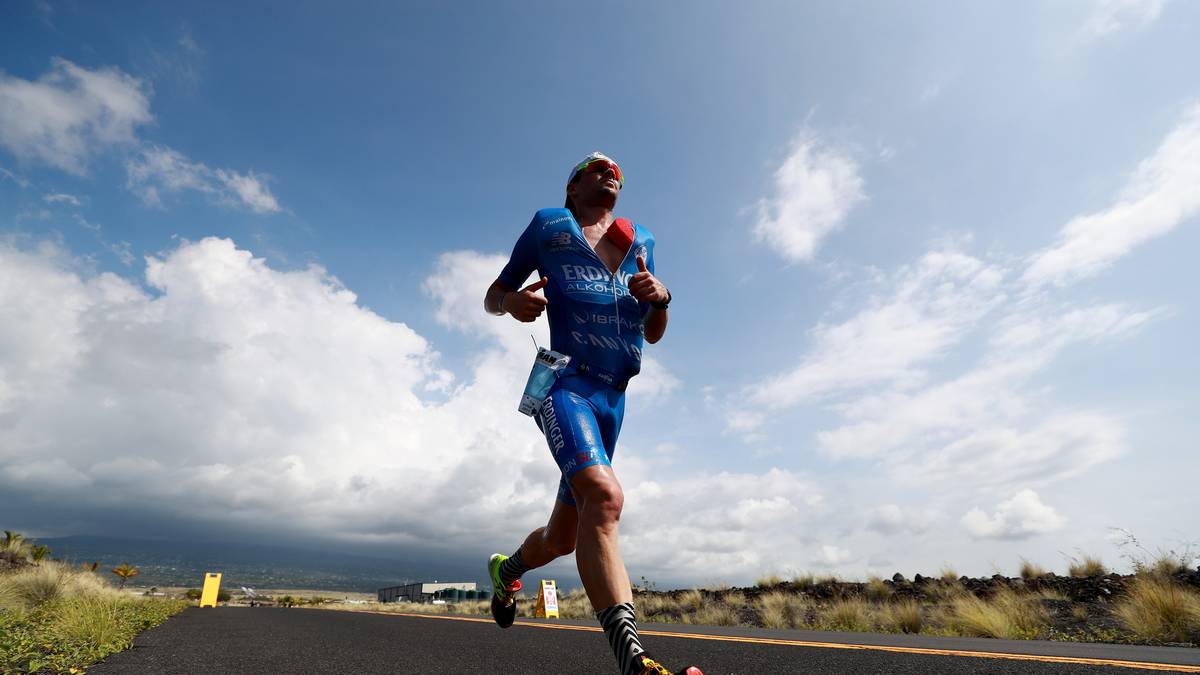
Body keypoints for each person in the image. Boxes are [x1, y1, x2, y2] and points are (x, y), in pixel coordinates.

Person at [483, 153, 700, 675]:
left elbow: (653, 331)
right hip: (567, 385)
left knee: (562, 537)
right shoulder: (548, 226)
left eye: (618, 173)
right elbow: (493, 296)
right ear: (572, 186)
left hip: (614, 399)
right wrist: (512, 303)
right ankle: (635, 662)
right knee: (604, 498)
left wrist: (663, 299)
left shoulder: (639, 240)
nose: (611, 174)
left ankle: (508, 570)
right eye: (597, 169)